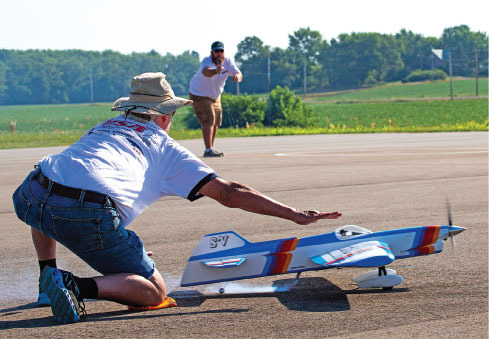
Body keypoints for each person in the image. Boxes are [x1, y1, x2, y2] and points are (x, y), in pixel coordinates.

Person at [12, 72, 341, 324]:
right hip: (86, 212)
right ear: (165, 114)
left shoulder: (105, 126)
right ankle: (72, 285)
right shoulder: (164, 147)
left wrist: (124, 248)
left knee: (50, 195)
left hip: (30, 191)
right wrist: (295, 214)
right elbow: (229, 193)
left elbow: (73, 178)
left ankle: (47, 276)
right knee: (154, 291)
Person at [189, 41, 242, 157]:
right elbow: (206, 72)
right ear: (212, 52)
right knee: (209, 118)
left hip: (215, 96)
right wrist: (215, 71)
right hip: (199, 94)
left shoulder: (228, 62)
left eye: (221, 51)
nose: (219, 54)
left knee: (216, 120)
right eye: (216, 51)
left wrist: (236, 76)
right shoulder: (206, 61)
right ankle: (208, 150)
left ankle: (211, 148)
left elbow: (238, 73)